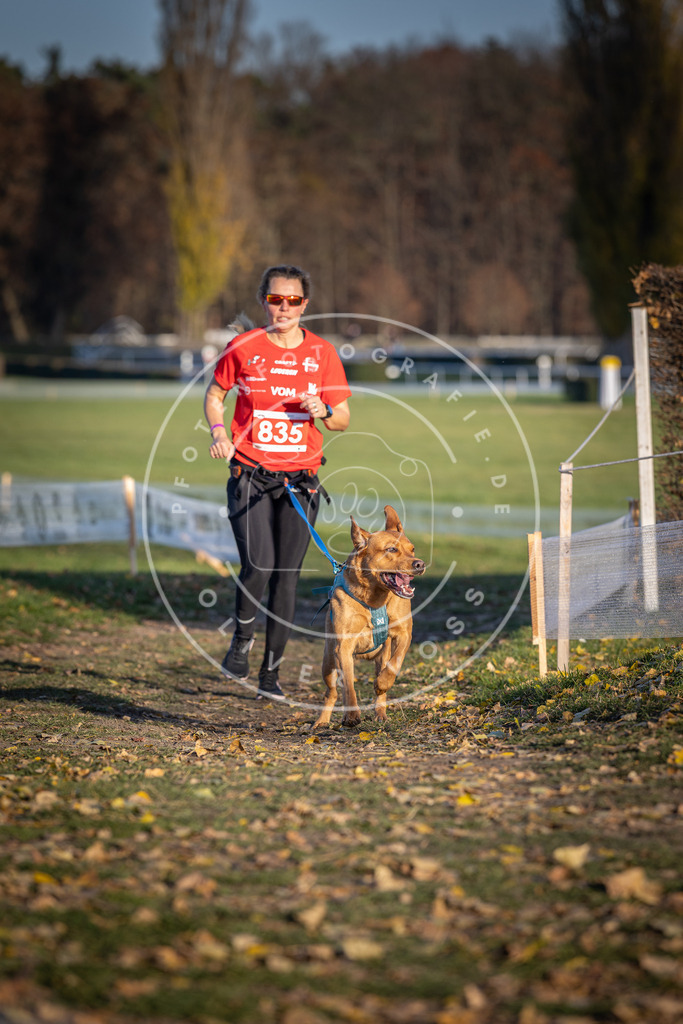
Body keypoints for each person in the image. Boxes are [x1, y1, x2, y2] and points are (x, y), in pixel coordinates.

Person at [204, 264, 351, 700]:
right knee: (260, 565)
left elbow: (342, 418)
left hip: (301, 481)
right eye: (274, 299)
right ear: (263, 300)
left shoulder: (322, 354)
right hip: (249, 473)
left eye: (292, 300)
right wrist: (219, 433)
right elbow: (215, 395)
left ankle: (271, 675)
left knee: (286, 577)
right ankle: (242, 639)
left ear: (305, 304)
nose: (283, 307)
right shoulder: (243, 347)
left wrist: (322, 410)